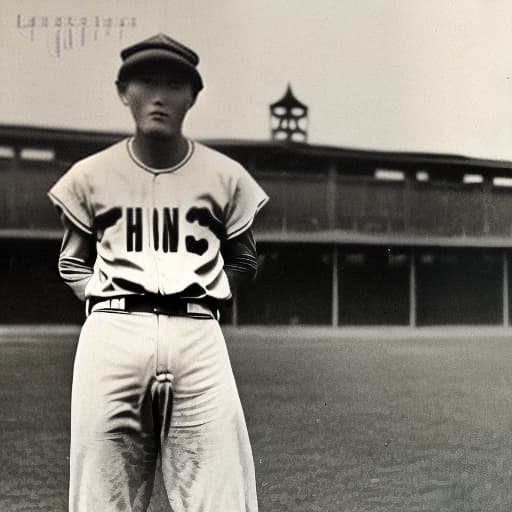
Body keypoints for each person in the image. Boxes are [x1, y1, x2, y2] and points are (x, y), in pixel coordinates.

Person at [48, 33, 268, 512]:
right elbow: (71, 261)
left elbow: (245, 258)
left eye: (174, 84)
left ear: (193, 96)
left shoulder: (225, 176)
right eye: (145, 82)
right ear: (123, 92)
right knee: (101, 494)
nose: (160, 96)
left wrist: (211, 292)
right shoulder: (91, 175)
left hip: (197, 329)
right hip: (113, 330)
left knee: (222, 491)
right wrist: (106, 302)